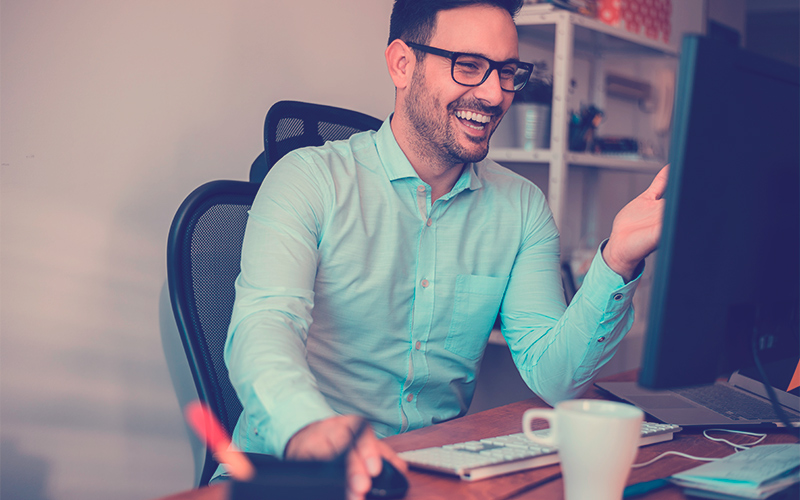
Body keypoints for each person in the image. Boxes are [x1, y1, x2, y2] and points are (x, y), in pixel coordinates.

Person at [219, 1, 668, 499]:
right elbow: (263, 328)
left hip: (429, 476)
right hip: (293, 473)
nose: (495, 93)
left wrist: (617, 260)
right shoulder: (307, 179)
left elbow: (556, 378)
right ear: (402, 64)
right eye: (470, 67)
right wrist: (307, 427)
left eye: (507, 72)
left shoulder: (522, 207)